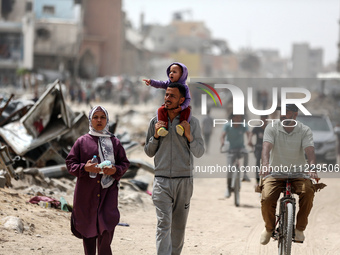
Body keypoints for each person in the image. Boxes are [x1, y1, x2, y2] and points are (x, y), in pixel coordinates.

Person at [144, 83, 205, 255]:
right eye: (166, 94)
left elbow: (199, 152)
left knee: (178, 228)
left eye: (172, 96)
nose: (167, 98)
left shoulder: (192, 122)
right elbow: (148, 152)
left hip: (184, 182)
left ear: (182, 100)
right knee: (164, 224)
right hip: (162, 181)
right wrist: (155, 136)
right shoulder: (155, 121)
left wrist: (189, 136)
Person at [66, 105, 130, 255]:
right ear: (90, 120)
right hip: (86, 194)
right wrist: (85, 168)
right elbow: (70, 164)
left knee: (106, 229)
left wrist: (115, 170)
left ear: (107, 120)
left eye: (102, 117)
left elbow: (125, 163)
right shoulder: (82, 142)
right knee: (88, 232)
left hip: (108, 194)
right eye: (95, 117)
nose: (99, 120)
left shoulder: (115, 142)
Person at [260, 104, 319, 245]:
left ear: (295, 114)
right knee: (267, 197)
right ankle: (269, 229)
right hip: (275, 173)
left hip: (298, 173)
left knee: (308, 192)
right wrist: (265, 164)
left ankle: (299, 229)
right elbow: (266, 148)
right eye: (281, 112)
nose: (283, 115)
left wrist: (312, 167)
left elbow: (310, 150)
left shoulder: (304, 130)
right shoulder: (272, 128)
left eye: (287, 112)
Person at [143, 62, 191, 137]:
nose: (171, 74)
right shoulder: (168, 83)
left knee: (187, 111)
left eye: (174, 72)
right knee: (160, 110)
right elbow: (160, 84)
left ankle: (181, 127)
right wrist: (151, 82)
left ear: (182, 74)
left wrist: (182, 107)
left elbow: (188, 99)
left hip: (182, 107)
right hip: (169, 106)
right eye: (170, 72)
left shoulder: (184, 87)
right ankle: (163, 127)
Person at [221, 114, 251, 198]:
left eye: (240, 117)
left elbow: (249, 134)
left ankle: (245, 174)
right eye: (237, 117)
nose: (239, 119)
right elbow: (222, 135)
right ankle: (228, 188)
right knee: (230, 169)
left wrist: (249, 141)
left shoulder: (243, 125)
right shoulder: (227, 125)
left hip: (240, 148)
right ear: (233, 118)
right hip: (230, 150)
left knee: (246, 153)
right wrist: (222, 142)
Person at [248, 115, 268, 185]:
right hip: (258, 148)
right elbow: (251, 134)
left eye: (265, 120)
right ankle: (257, 180)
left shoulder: (269, 128)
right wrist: (250, 141)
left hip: (267, 149)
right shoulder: (257, 128)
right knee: (258, 163)